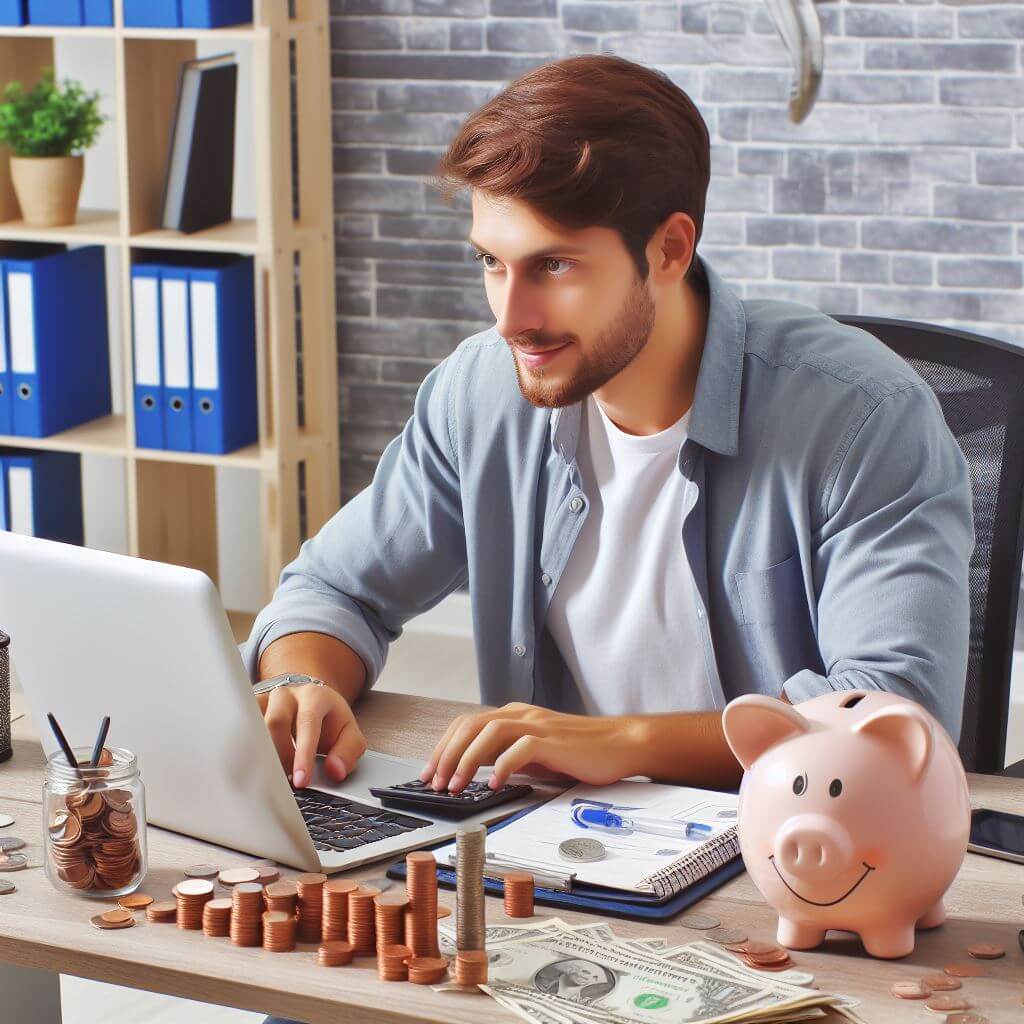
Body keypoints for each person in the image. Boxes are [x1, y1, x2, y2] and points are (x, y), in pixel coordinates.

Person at [251, 48, 973, 1024]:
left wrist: (620, 742)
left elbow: (894, 707)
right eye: (492, 264)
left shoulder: (861, 415)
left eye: (552, 266)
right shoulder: (479, 392)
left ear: (668, 250)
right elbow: (336, 589)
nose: (512, 315)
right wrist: (303, 680)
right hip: (572, 875)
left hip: (799, 899)